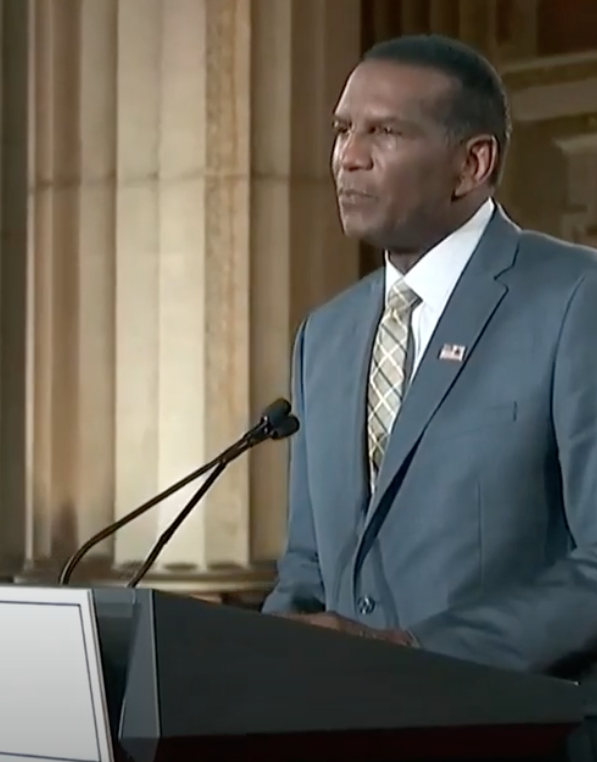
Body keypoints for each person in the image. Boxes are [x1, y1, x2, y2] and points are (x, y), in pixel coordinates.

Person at [261, 34, 597, 760]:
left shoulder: (575, 298)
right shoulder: (326, 333)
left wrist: (409, 650)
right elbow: (308, 567)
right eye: (342, 130)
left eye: (383, 131)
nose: (348, 156)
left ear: (471, 164)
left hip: (519, 735)